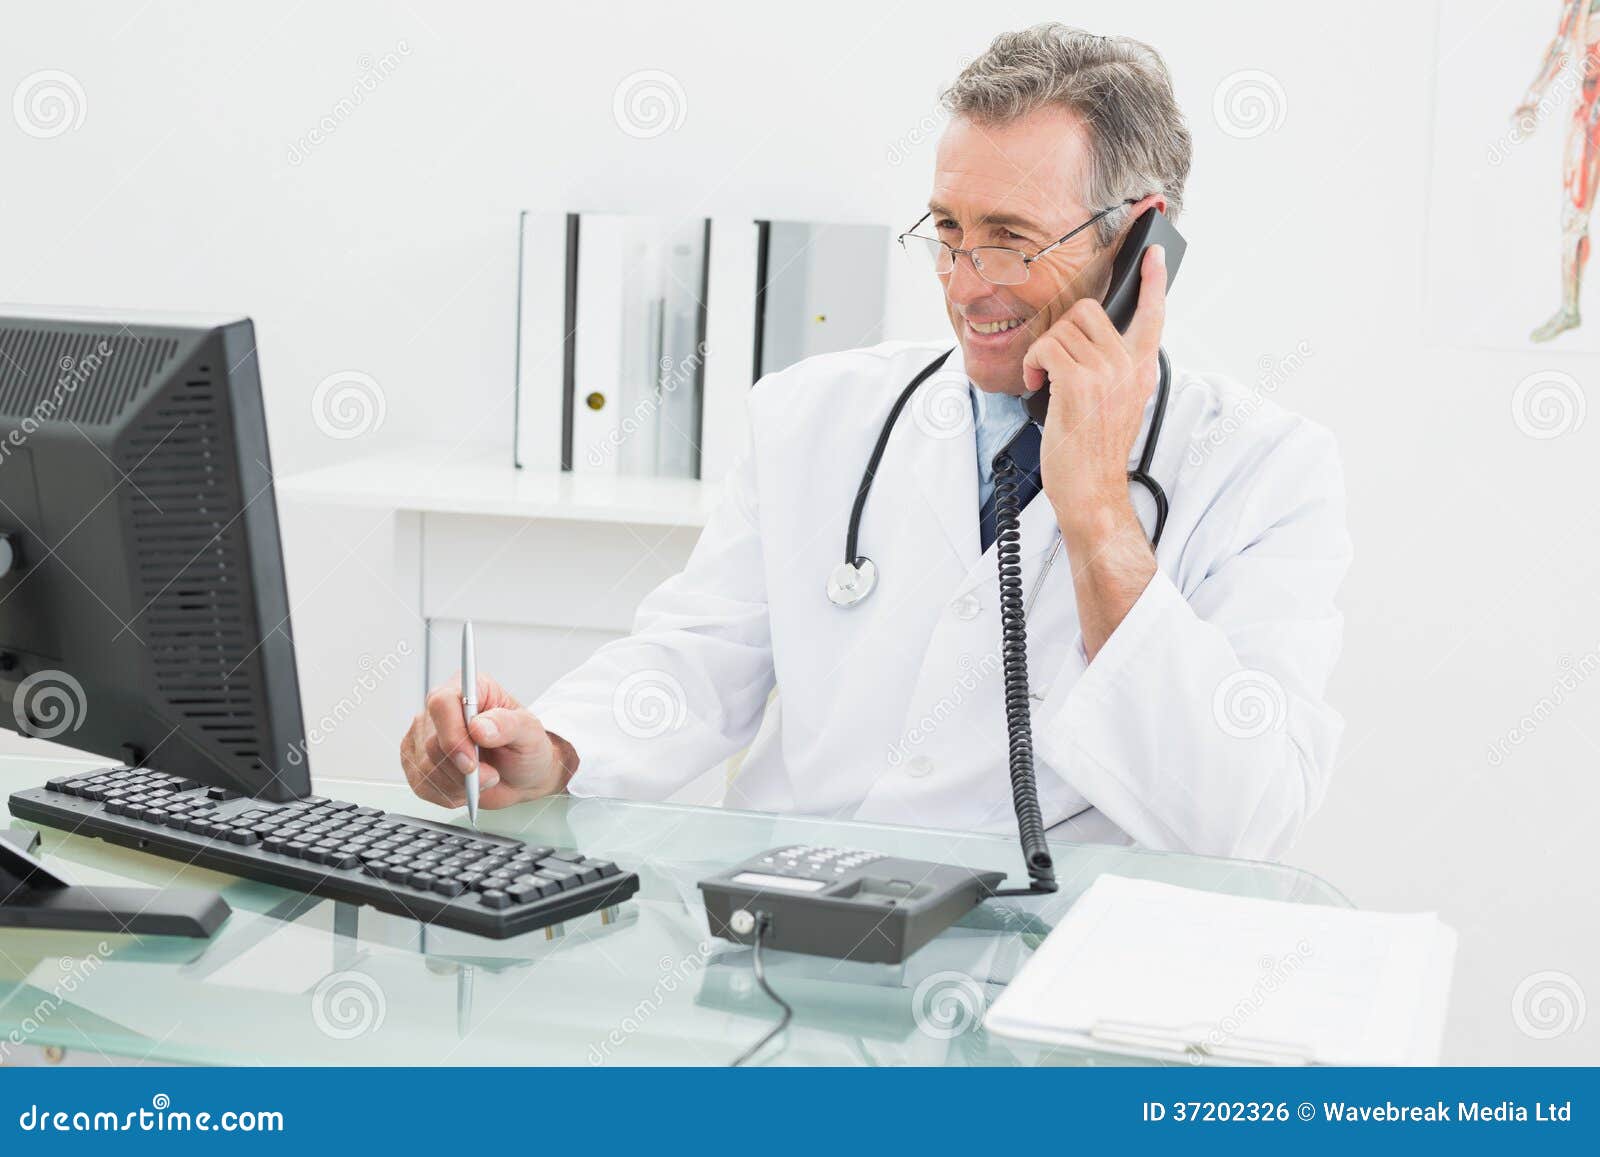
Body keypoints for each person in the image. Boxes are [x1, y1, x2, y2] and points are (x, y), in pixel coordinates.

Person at [399, 24, 1352, 860]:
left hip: (1049, 982)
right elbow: (691, 664)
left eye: (1013, 239)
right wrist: (556, 745)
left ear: (1141, 247)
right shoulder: (811, 416)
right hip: (786, 951)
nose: (967, 284)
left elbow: (1241, 816)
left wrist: (1099, 511)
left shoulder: (1263, 472)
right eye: (948, 230)